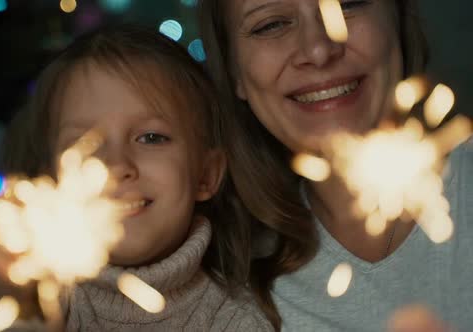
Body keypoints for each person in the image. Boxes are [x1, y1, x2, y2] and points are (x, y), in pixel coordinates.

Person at [0, 24, 273, 331]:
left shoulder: (235, 322)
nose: (114, 165)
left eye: (151, 137)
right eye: (84, 145)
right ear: (50, 181)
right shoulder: (30, 295)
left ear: (206, 175)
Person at [198, 0, 472, 331]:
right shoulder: (226, 291)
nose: (318, 49)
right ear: (234, 72)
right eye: (270, 25)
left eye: (347, 4)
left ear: (397, 20)